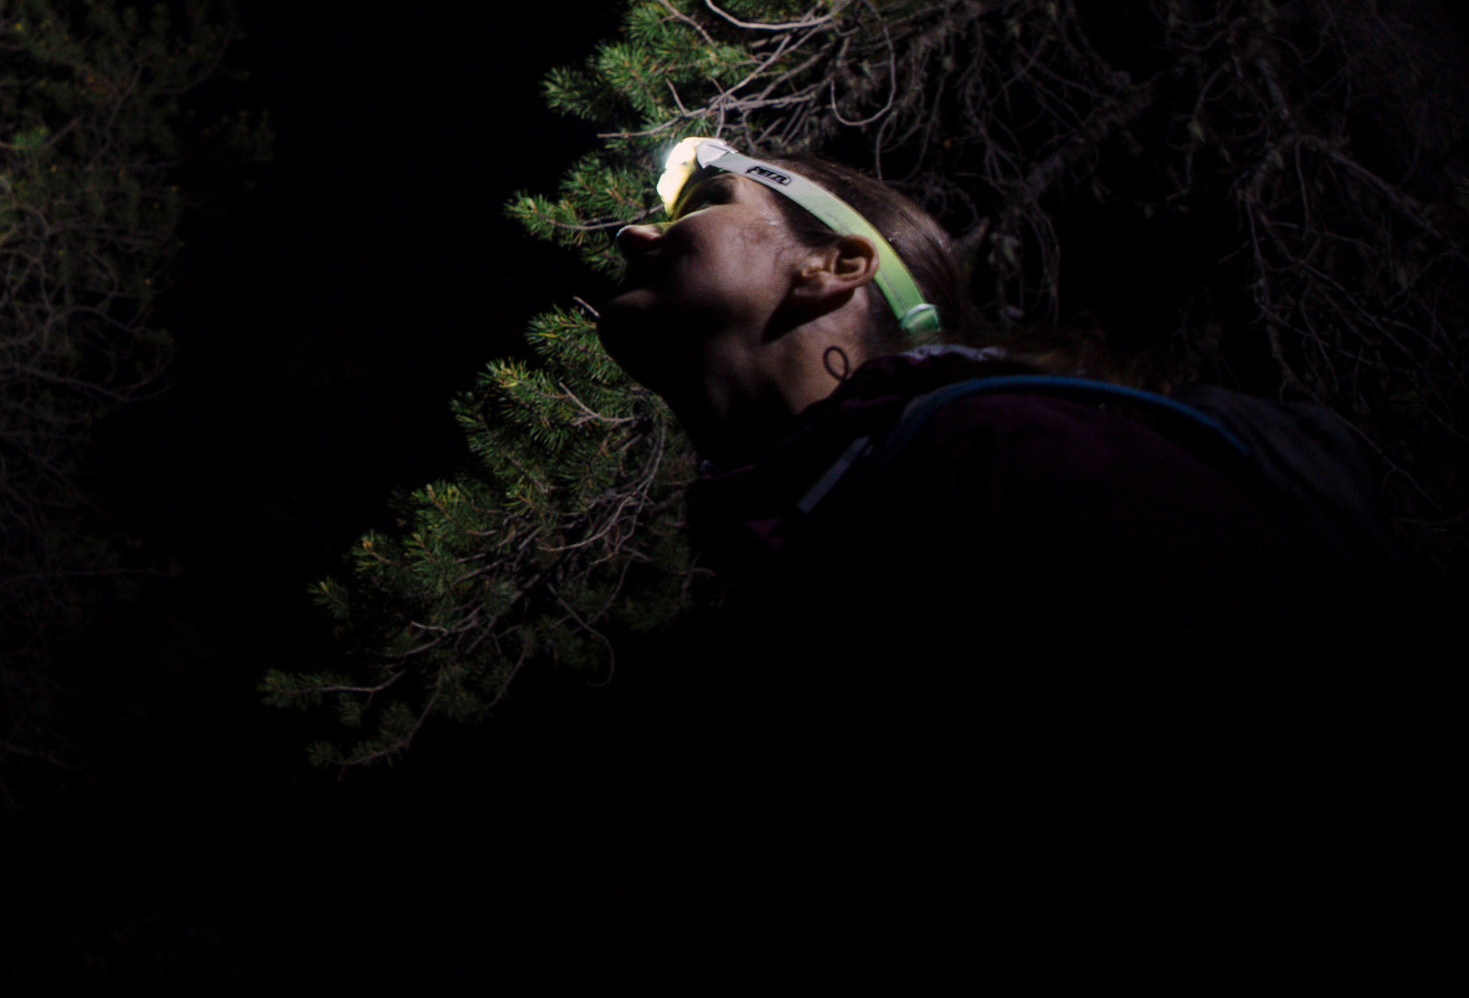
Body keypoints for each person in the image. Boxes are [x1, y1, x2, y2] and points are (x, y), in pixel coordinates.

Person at [591, 138, 1448, 966]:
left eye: (706, 205)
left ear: (833, 266)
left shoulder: (1014, 453)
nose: (635, 234)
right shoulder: (788, 559)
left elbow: (1293, 784)